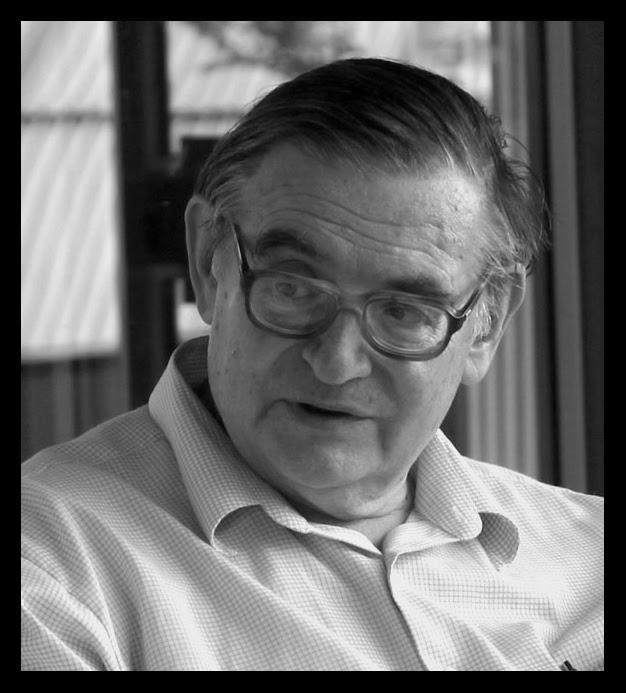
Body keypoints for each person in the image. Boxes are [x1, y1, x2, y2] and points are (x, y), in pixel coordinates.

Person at [21, 57, 603, 672]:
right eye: (293, 287)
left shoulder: (589, 560)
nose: (336, 363)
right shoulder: (53, 570)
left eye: (404, 311)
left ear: (486, 325)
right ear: (208, 263)